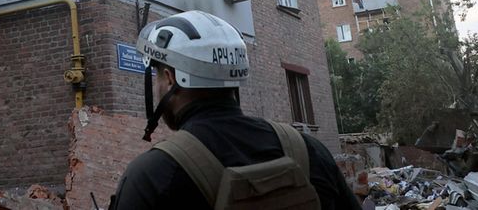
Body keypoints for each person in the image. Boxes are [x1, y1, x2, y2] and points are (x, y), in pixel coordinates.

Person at [109, 11, 361, 210]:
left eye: (157, 76)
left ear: (171, 78)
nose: (158, 85)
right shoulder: (309, 151)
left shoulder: (152, 176)